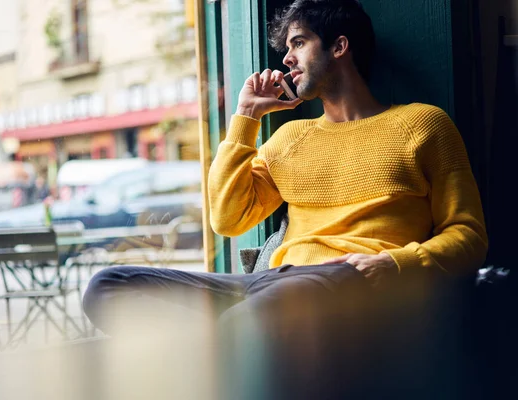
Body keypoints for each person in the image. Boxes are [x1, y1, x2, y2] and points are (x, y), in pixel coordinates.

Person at [83, 0, 487, 397]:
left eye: (298, 43)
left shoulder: (422, 124)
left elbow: (468, 235)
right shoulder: (290, 139)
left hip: (351, 279)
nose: (286, 59)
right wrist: (246, 117)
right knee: (109, 287)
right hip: (271, 282)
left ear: (340, 46)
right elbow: (227, 219)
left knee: (250, 321)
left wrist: (396, 262)